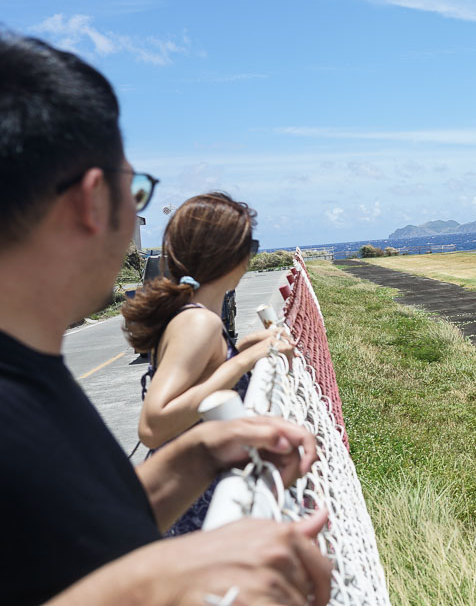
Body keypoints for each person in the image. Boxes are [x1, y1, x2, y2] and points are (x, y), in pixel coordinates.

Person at [0, 31, 332, 605]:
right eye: (138, 192)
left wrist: (202, 455)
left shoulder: (33, 371)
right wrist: (159, 579)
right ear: (92, 200)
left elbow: (73, 543)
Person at [125, 191, 296, 534]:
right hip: (197, 515)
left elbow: (200, 374)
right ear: (230, 255)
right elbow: (153, 426)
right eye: (251, 247)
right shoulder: (198, 323)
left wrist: (242, 347)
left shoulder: (196, 317)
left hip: (196, 502)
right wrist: (246, 359)